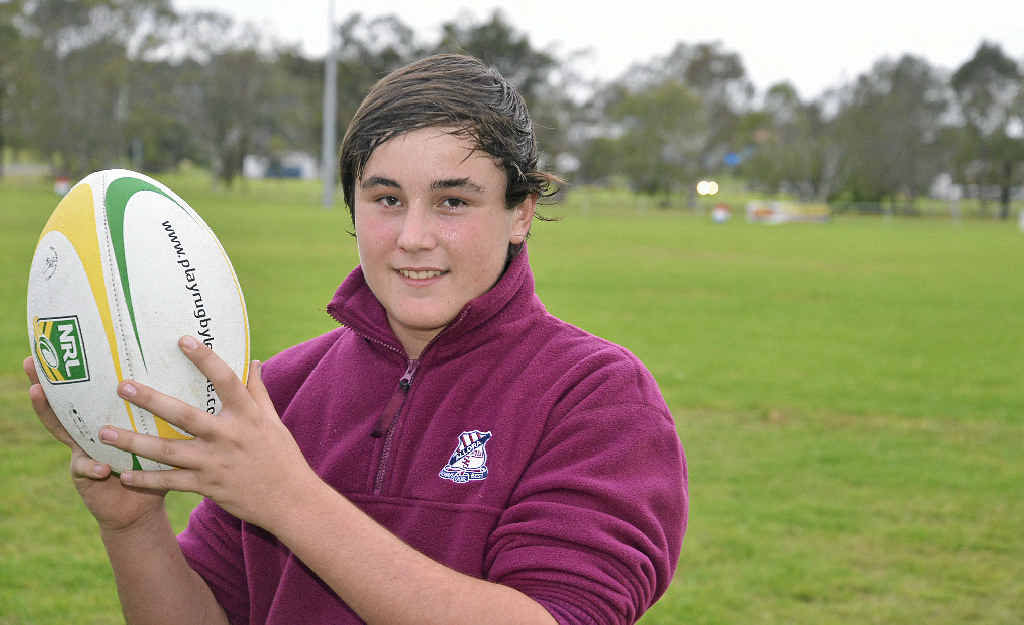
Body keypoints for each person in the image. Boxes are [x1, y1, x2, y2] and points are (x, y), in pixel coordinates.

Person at [24, 53, 687, 625]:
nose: (413, 236)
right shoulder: (277, 391)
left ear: (521, 212)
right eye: (386, 199)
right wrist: (133, 525)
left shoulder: (597, 396)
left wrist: (288, 498)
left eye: (453, 201)